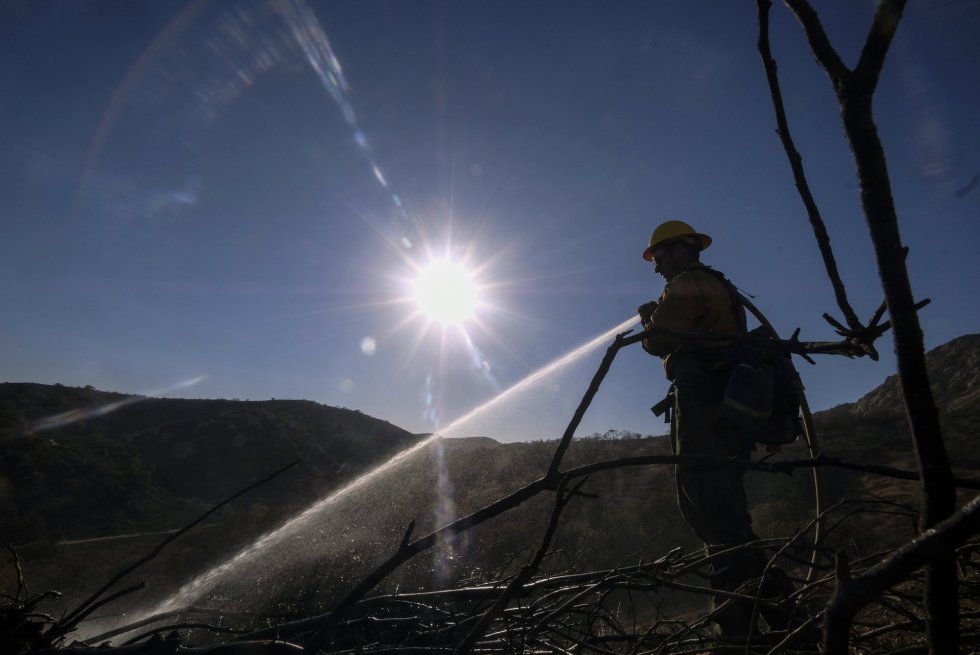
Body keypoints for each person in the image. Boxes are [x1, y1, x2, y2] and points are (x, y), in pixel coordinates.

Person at [637, 220, 792, 640]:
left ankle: (737, 636)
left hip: (705, 410)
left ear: (685, 248)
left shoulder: (688, 283)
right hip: (725, 412)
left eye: (661, 256)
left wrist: (650, 317)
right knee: (728, 521)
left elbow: (657, 342)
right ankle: (783, 622)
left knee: (711, 515)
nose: (657, 268)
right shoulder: (719, 287)